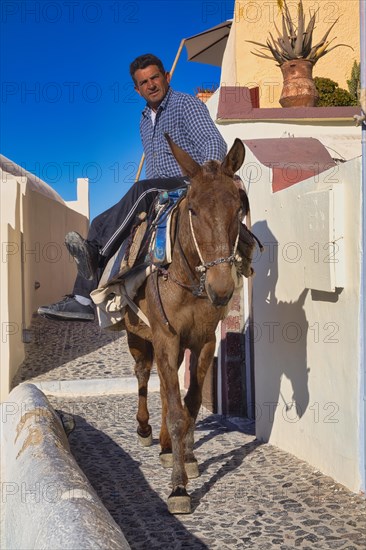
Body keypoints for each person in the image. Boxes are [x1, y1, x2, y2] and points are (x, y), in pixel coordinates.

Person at [38, 53, 228, 321]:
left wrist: (206, 178)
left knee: (143, 190)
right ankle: (82, 299)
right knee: (99, 223)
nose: (150, 85)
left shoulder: (186, 105)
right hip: (159, 190)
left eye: (155, 78)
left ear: (167, 77)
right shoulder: (143, 120)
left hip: (190, 184)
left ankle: (97, 253)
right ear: (136, 89)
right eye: (144, 82)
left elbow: (213, 142)